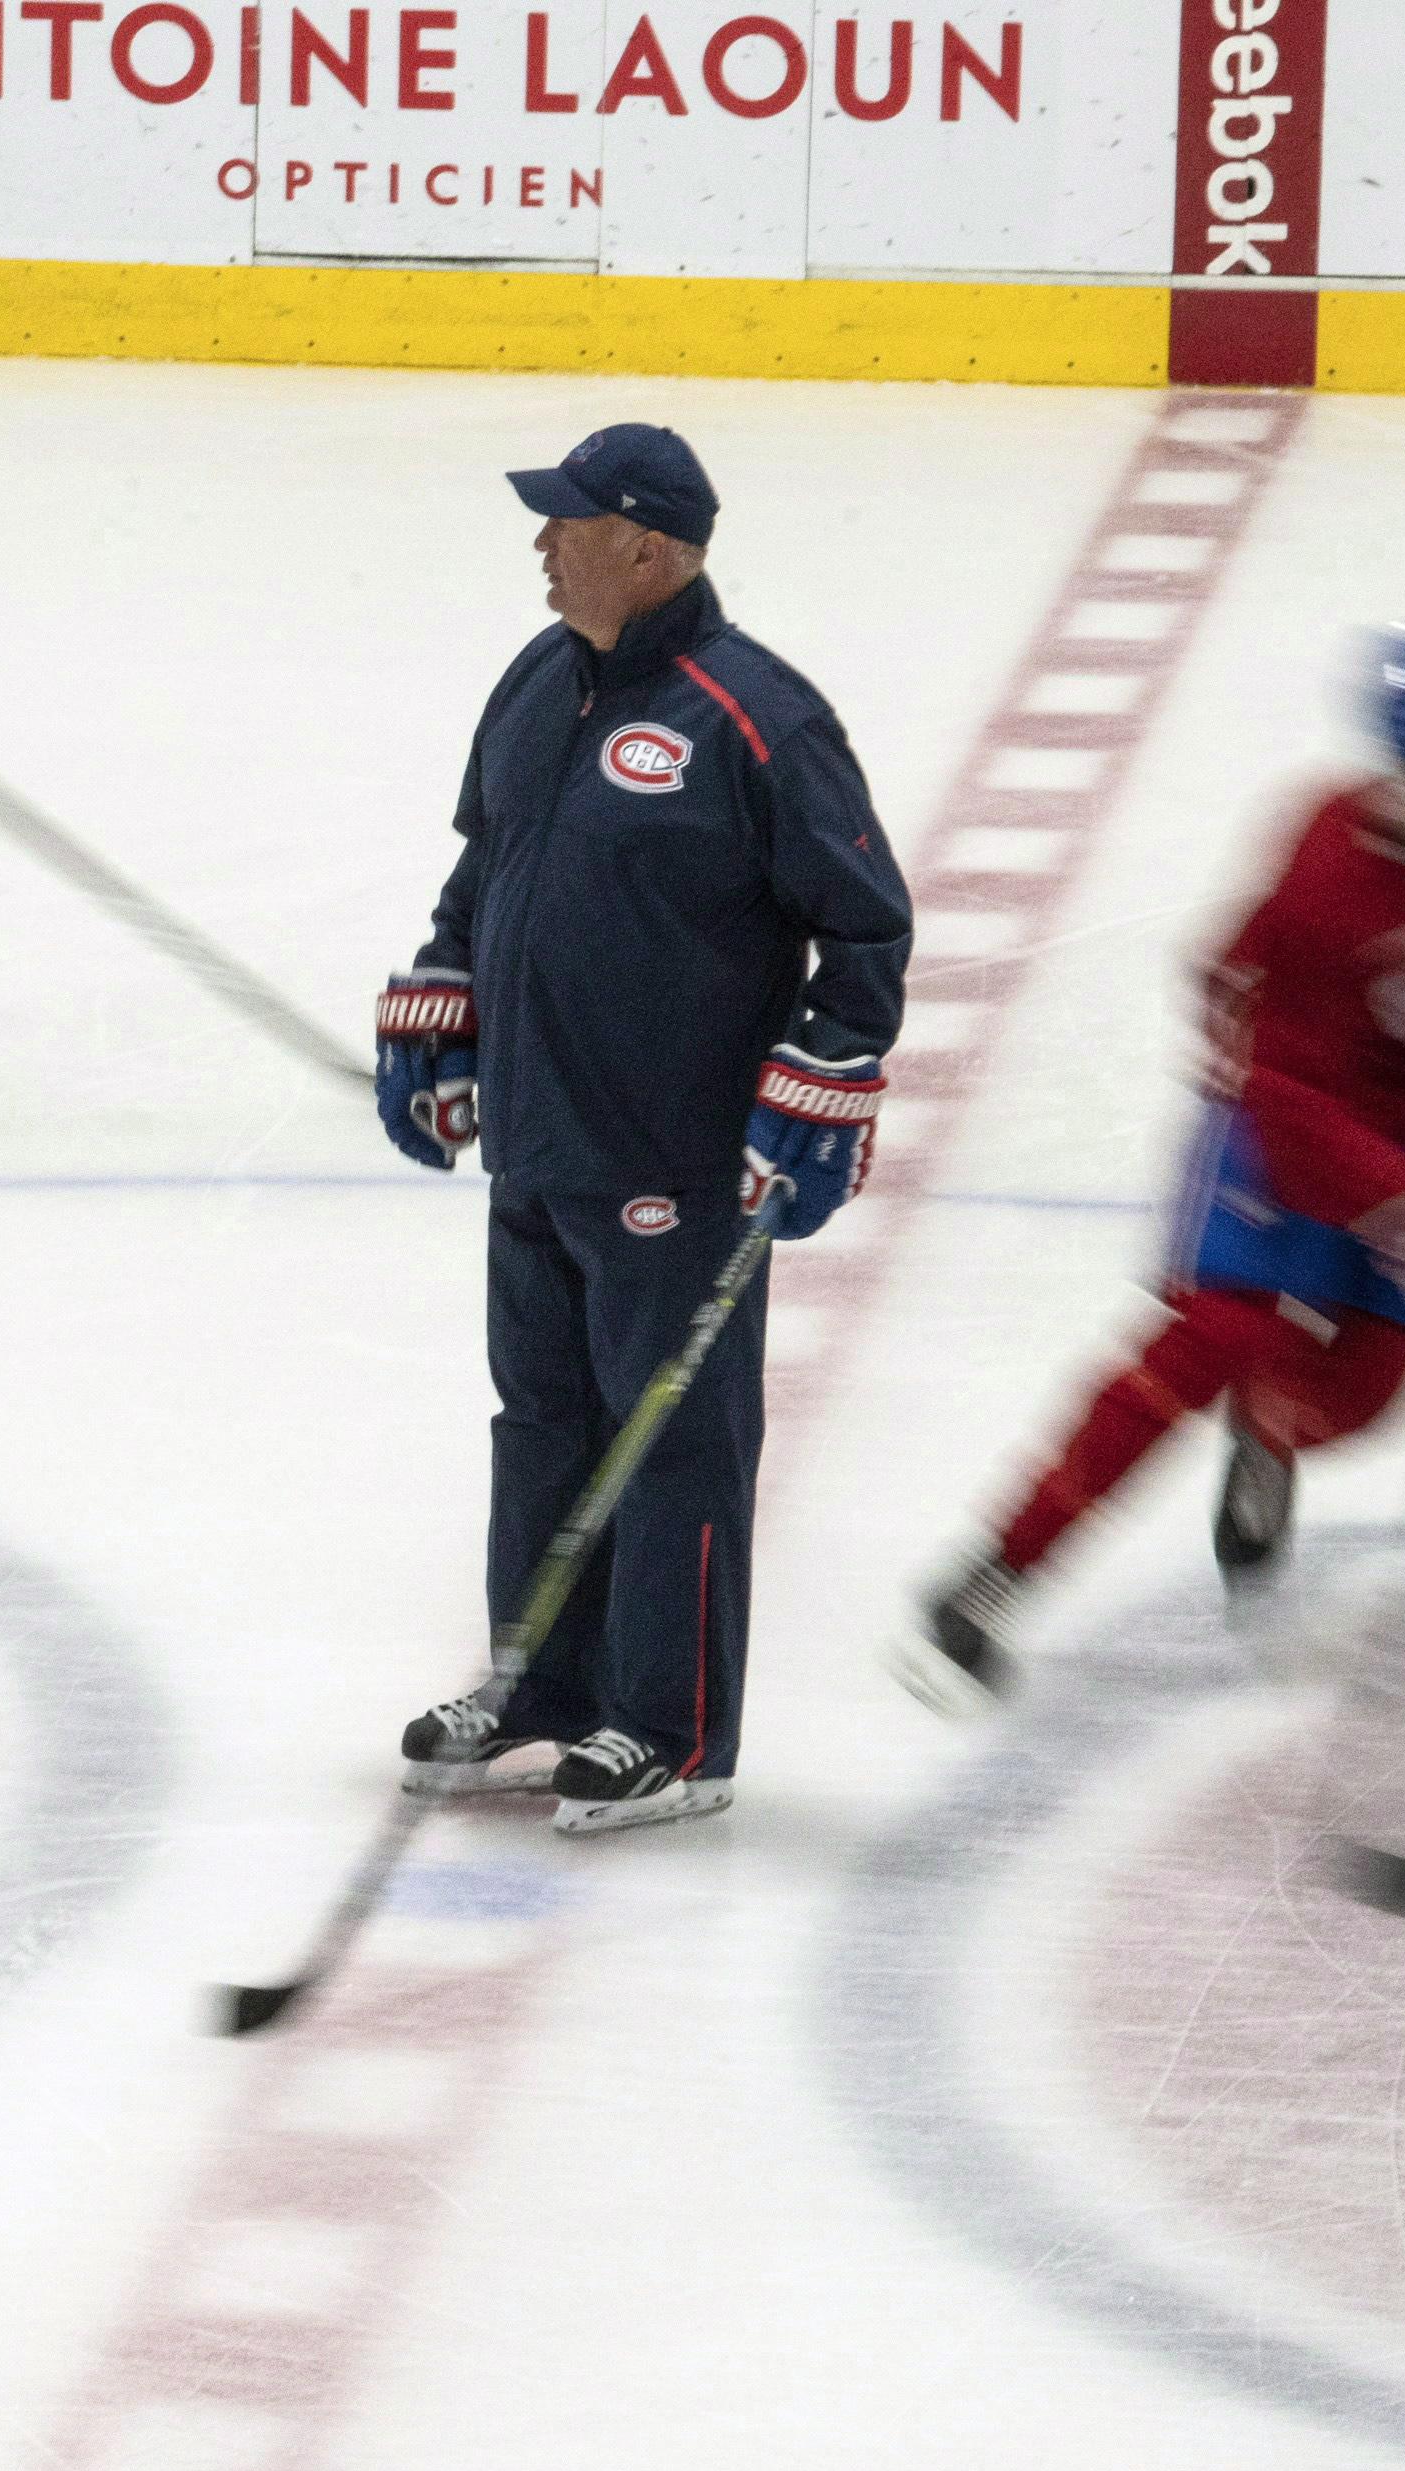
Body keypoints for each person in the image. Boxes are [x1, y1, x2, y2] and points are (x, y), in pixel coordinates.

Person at [379, 424, 914, 1834]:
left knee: (666, 1438)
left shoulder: (755, 718)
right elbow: (484, 865)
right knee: (543, 1421)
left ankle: (671, 1731)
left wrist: (819, 1086)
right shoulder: (537, 680)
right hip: (537, 1140)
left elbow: (864, 930)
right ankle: (546, 1689)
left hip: (675, 1160)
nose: (541, 544)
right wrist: (439, 1006)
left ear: (647, 546)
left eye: (565, 523)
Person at [910, 628, 1405, 1701]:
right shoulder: (1330, 871)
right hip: (1295, 1115)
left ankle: (1268, 1432)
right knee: (1216, 1330)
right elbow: (1288, 1095)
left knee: (1363, 1388)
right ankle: (998, 1568)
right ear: (1404, 783)